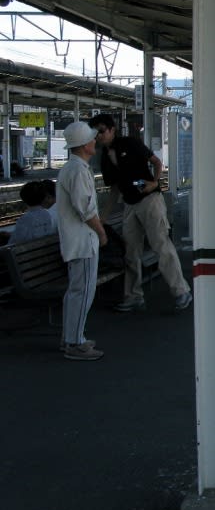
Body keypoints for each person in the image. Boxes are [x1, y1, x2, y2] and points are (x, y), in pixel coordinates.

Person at [89, 114, 193, 312]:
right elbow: (115, 188)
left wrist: (154, 182)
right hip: (130, 203)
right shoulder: (104, 157)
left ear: (112, 129)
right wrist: (104, 216)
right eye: (95, 133)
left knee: (161, 244)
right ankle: (133, 296)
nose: (98, 136)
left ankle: (181, 291)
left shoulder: (130, 144)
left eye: (101, 131)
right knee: (131, 251)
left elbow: (156, 162)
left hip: (150, 199)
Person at [56, 121, 107, 360]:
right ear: (84, 144)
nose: (94, 141)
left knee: (78, 291)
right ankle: (75, 343)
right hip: (82, 241)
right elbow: (85, 209)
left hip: (78, 241)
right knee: (82, 291)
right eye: (91, 138)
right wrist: (101, 232)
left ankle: (72, 337)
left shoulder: (74, 168)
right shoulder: (76, 171)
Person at [9, 180, 57, 244]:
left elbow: (14, 242)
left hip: (27, 252)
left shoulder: (25, 219)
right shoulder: (47, 214)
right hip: (44, 249)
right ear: (43, 198)